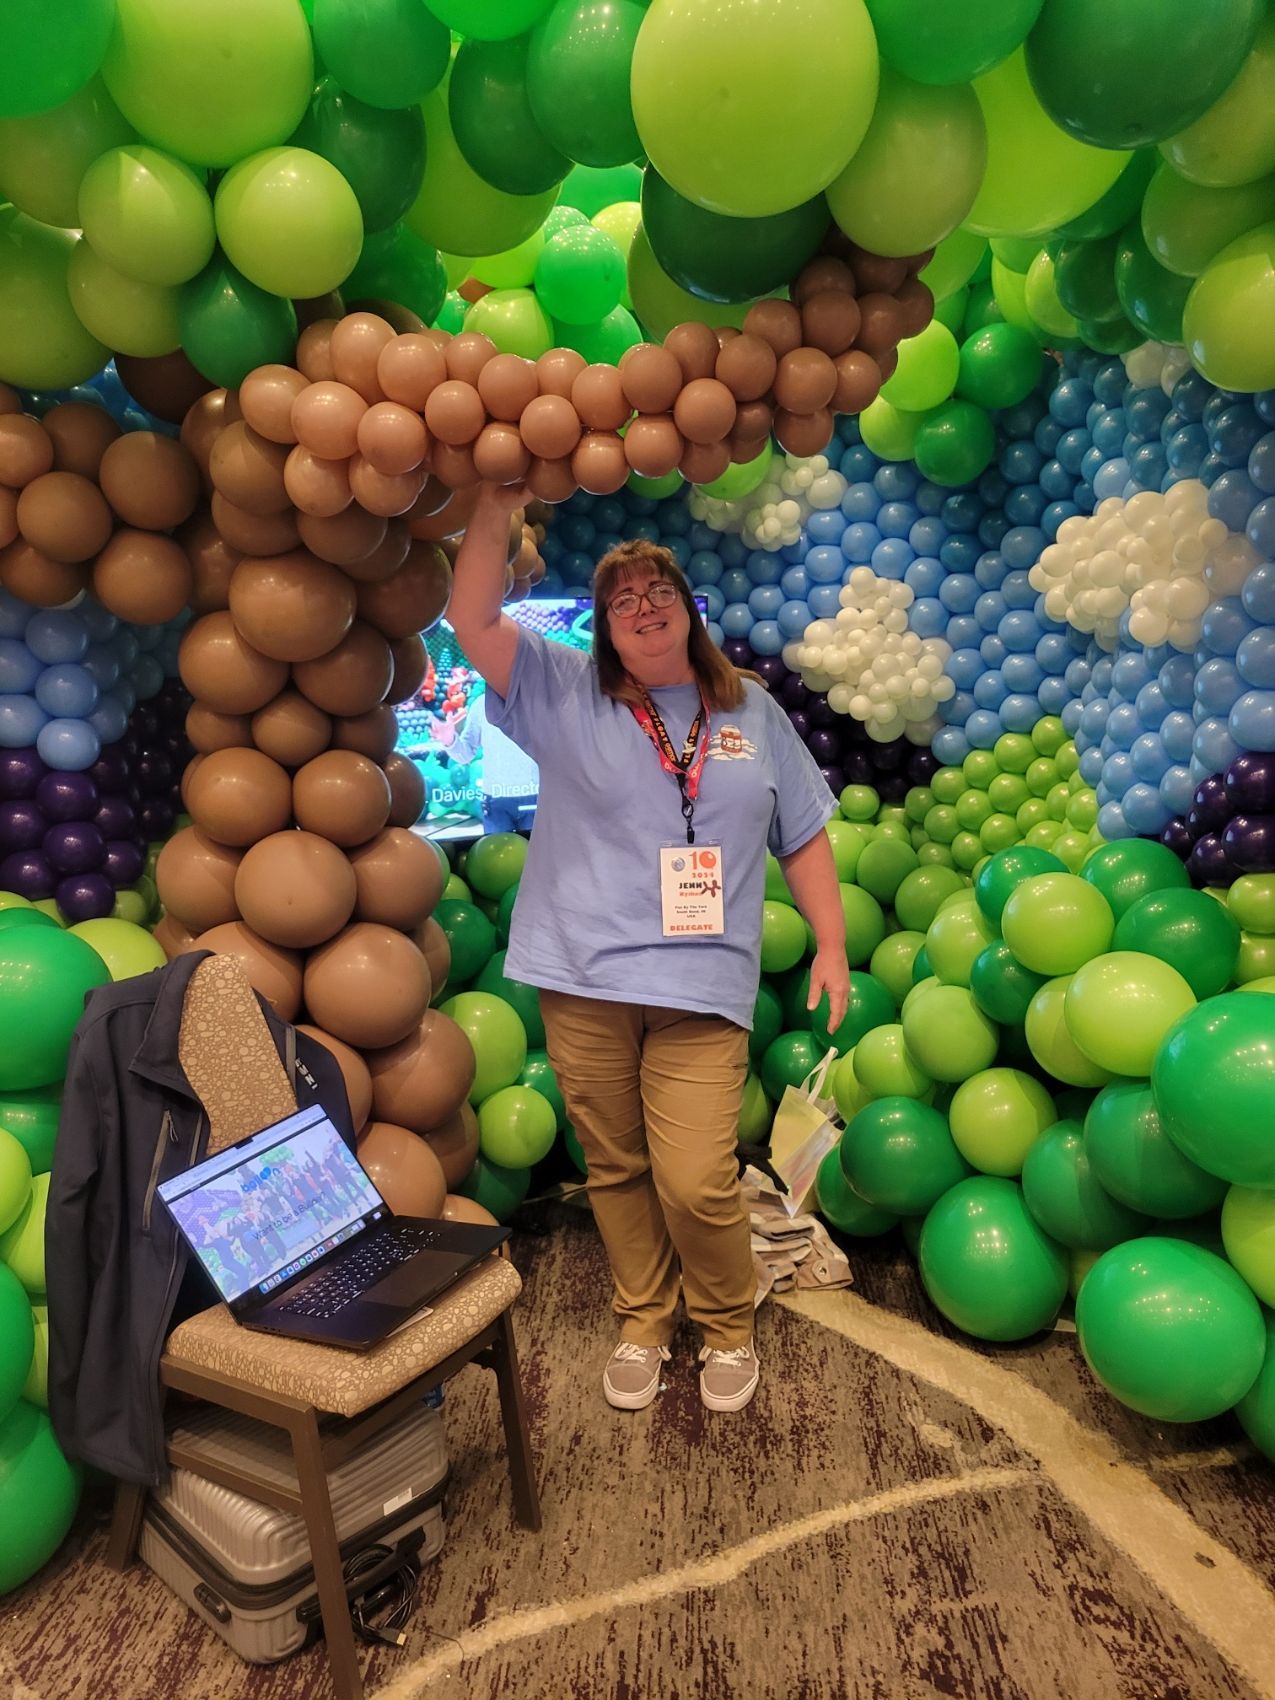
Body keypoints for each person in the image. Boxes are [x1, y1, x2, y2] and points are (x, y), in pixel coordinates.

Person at [450, 482, 850, 1415]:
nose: (639, 604)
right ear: (604, 628)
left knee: (697, 1177)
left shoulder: (749, 711)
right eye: (618, 597)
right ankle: (643, 1318)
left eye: (654, 588)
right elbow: (468, 615)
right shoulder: (561, 689)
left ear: (685, 610)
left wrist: (829, 946)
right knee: (615, 1168)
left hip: (701, 983)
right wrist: (493, 504)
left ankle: (724, 1323)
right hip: (582, 975)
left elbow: (804, 835)